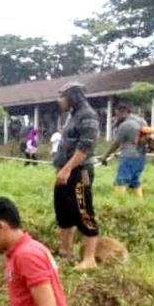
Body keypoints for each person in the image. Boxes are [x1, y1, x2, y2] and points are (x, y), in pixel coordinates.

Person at [53, 82, 100, 270]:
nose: (59, 100)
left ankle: (90, 259)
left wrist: (66, 169)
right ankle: (65, 251)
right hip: (64, 171)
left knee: (83, 211)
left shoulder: (88, 116)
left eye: (62, 96)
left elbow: (84, 148)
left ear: (73, 96)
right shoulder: (73, 115)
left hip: (80, 173)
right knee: (63, 210)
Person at [101, 102, 148, 197]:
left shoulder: (125, 125)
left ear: (123, 112)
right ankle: (139, 203)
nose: (116, 117)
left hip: (128, 157)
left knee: (121, 180)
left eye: (117, 114)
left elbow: (116, 144)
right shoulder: (142, 121)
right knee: (135, 181)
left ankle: (119, 203)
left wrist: (105, 156)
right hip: (141, 156)